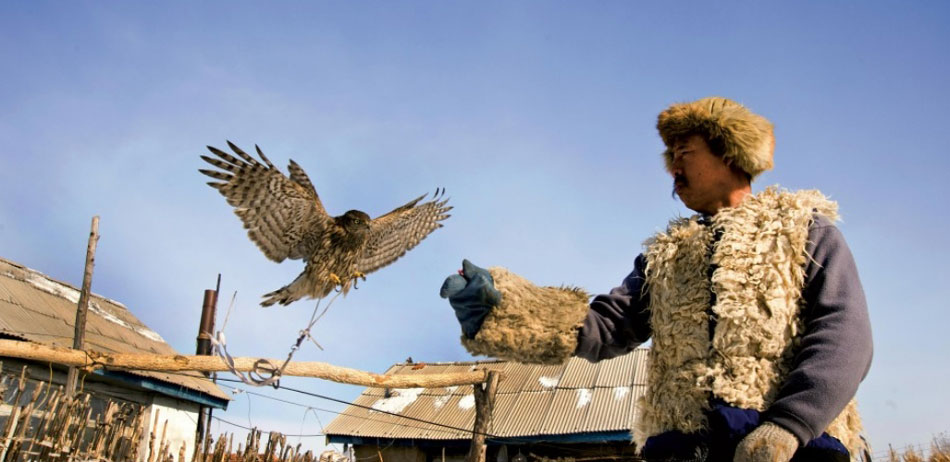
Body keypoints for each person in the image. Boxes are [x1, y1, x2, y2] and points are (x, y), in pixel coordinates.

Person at [440, 97, 873, 462]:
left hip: (791, 448)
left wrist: (789, 425)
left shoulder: (801, 231)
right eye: (671, 157)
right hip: (682, 449)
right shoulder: (666, 254)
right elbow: (606, 328)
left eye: (685, 153)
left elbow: (844, 335)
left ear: (729, 153)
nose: (673, 168)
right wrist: (506, 309)